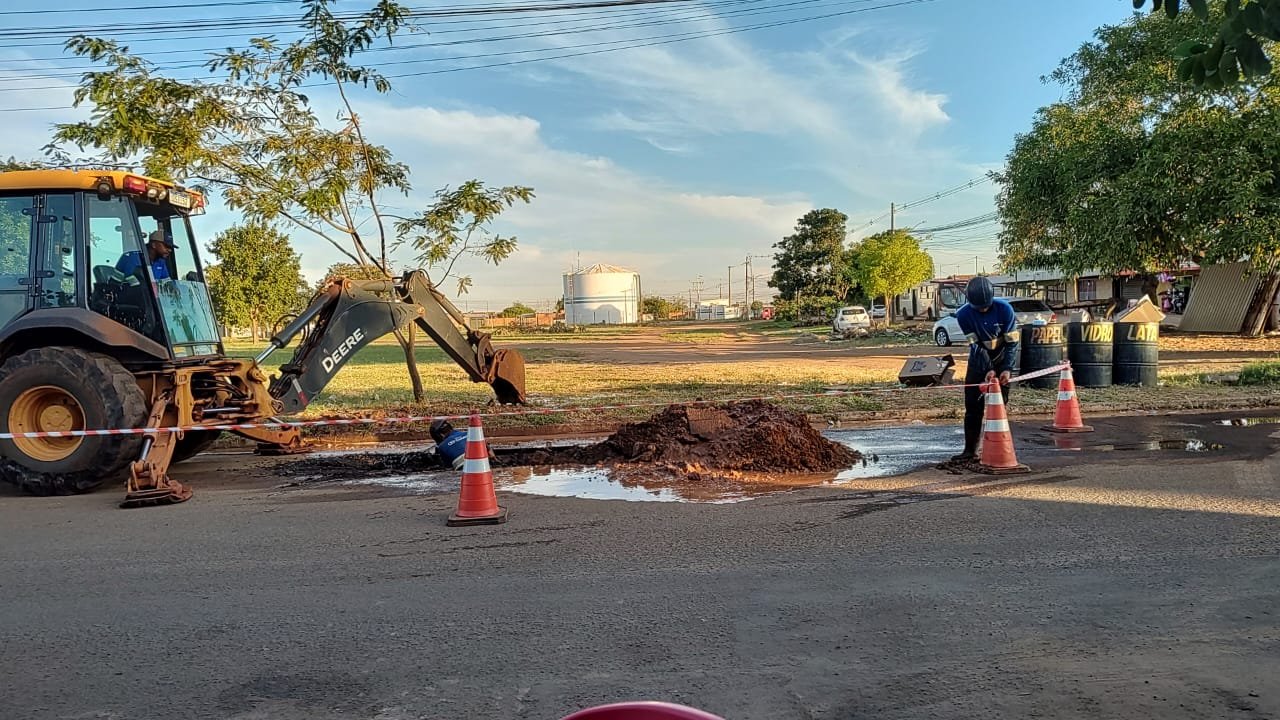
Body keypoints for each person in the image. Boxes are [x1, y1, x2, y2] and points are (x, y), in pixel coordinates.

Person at [952, 276, 1020, 462]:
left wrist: (1006, 368)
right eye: (978, 307)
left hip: (1002, 357)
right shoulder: (963, 315)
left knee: (999, 405)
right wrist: (987, 369)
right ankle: (969, 450)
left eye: (986, 306)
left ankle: (999, 448)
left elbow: (1012, 343)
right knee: (973, 406)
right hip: (978, 361)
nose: (983, 309)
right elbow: (975, 345)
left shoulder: (1005, 309)